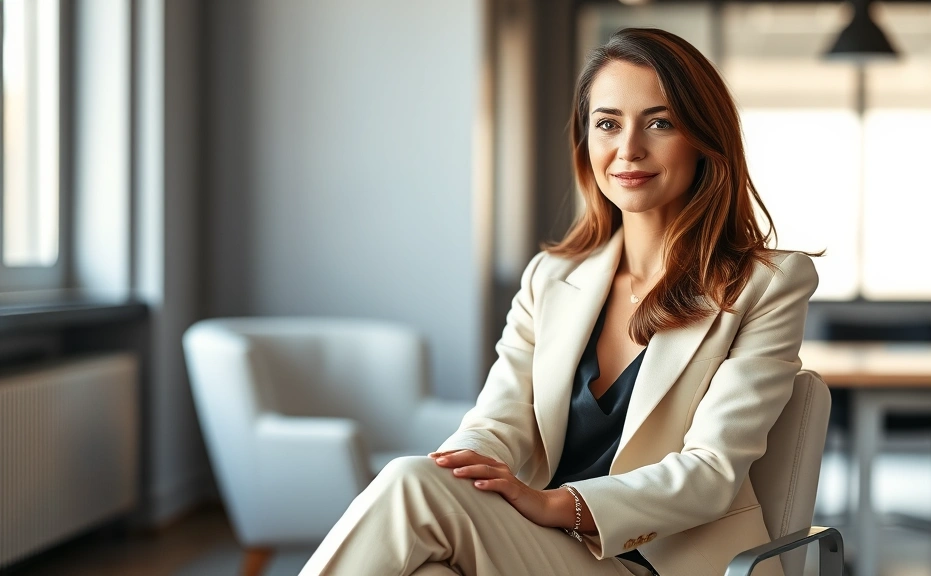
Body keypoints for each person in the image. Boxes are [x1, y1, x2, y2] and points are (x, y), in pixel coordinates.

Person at [299, 27, 817, 576]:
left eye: (660, 123)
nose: (629, 149)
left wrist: (558, 504)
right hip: (547, 551)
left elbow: (710, 471)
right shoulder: (552, 278)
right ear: (586, 139)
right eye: (608, 124)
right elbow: (499, 421)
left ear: (704, 138)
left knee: (410, 486)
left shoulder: (766, 283)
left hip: (660, 563)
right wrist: (462, 467)